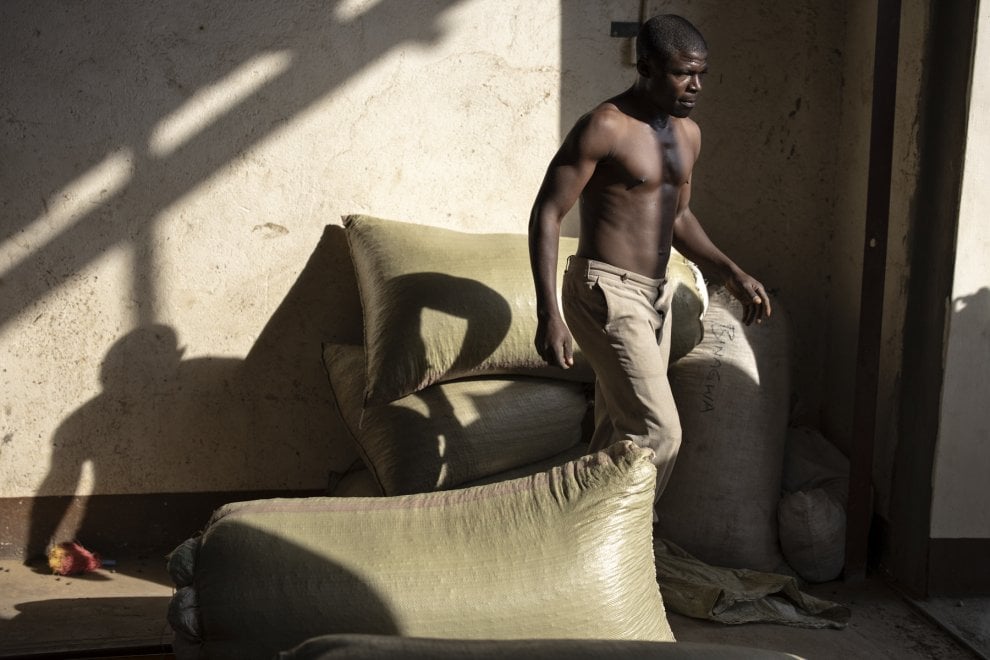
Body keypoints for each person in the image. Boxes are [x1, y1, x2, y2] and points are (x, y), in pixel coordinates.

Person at [528, 14, 771, 506]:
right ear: (646, 66)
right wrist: (548, 312)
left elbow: (679, 217)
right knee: (659, 434)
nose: (696, 85)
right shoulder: (605, 126)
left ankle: (584, 550)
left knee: (620, 435)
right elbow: (547, 214)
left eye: (701, 73)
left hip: (655, 298)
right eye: (683, 73)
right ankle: (631, 543)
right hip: (605, 292)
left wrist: (731, 271)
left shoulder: (688, 136)